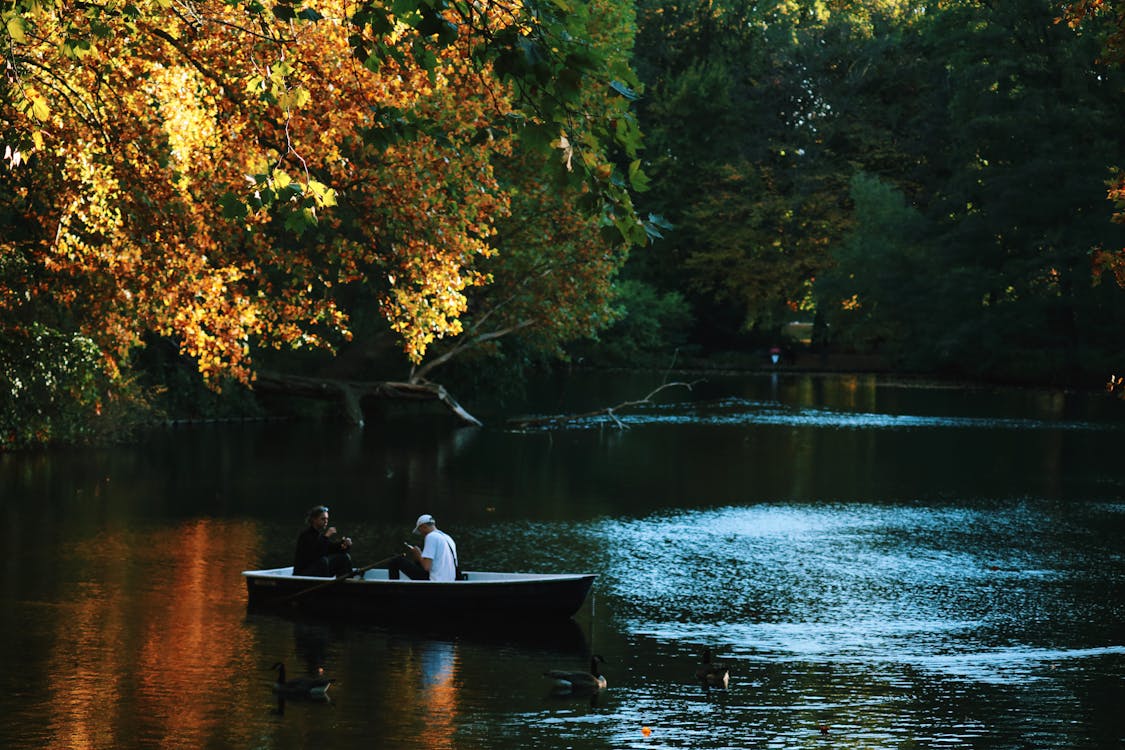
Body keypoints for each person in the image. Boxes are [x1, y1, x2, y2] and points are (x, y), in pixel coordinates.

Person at [387, 513, 459, 581]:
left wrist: (418, 554)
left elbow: (426, 567)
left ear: (423, 526)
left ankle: (393, 588)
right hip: (449, 580)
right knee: (417, 563)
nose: (421, 534)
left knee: (395, 560)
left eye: (420, 530)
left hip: (434, 580)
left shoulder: (431, 536)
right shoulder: (448, 538)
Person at [292, 505, 353, 577]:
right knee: (323, 561)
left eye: (327, 519)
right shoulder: (305, 535)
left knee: (344, 557)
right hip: (303, 573)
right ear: (314, 519)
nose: (326, 521)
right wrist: (326, 536)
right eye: (323, 519)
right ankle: (327, 585)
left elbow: (330, 549)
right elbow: (316, 554)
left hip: (317, 570)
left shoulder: (320, 536)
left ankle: (346, 584)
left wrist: (344, 545)